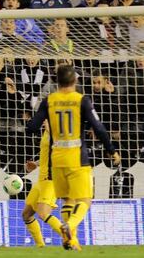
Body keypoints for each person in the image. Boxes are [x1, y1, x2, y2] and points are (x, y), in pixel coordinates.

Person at [26, 65, 121, 250]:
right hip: (77, 158)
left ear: (56, 81)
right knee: (85, 200)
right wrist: (111, 150)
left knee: (67, 200)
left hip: (57, 160)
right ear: (75, 81)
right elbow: (99, 127)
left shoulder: (49, 100)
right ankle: (69, 226)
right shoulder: (81, 100)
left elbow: (31, 127)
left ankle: (70, 240)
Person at [22, 121, 63, 247]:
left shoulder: (60, 131)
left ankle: (70, 238)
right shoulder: (46, 133)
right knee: (26, 215)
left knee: (43, 213)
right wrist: (36, 164)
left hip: (52, 179)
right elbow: (49, 155)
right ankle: (41, 247)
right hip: (42, 179)